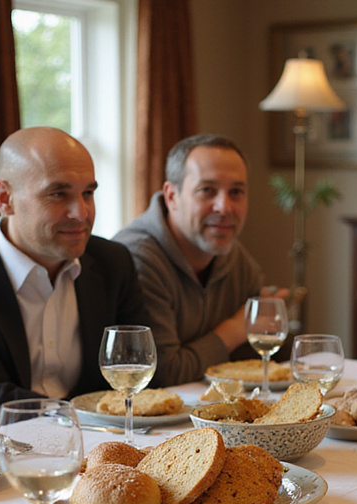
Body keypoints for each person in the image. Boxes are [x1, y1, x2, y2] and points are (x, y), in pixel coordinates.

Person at [0, 127, 149, 430]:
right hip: (3, 453)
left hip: (101, 445)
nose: (81, 212)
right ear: (5, 198)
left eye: (88, 193)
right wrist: (77, 418)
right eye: (58, 194)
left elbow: (139, 368)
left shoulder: (112, 261)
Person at [114, 134, 278, 387]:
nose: (224, 207)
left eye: (236, 192)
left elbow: (255, 360)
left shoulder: (235, 257)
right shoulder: (137, 258)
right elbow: (162, 373)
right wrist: (236, 328)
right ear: (172, 196)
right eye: (207, 191)